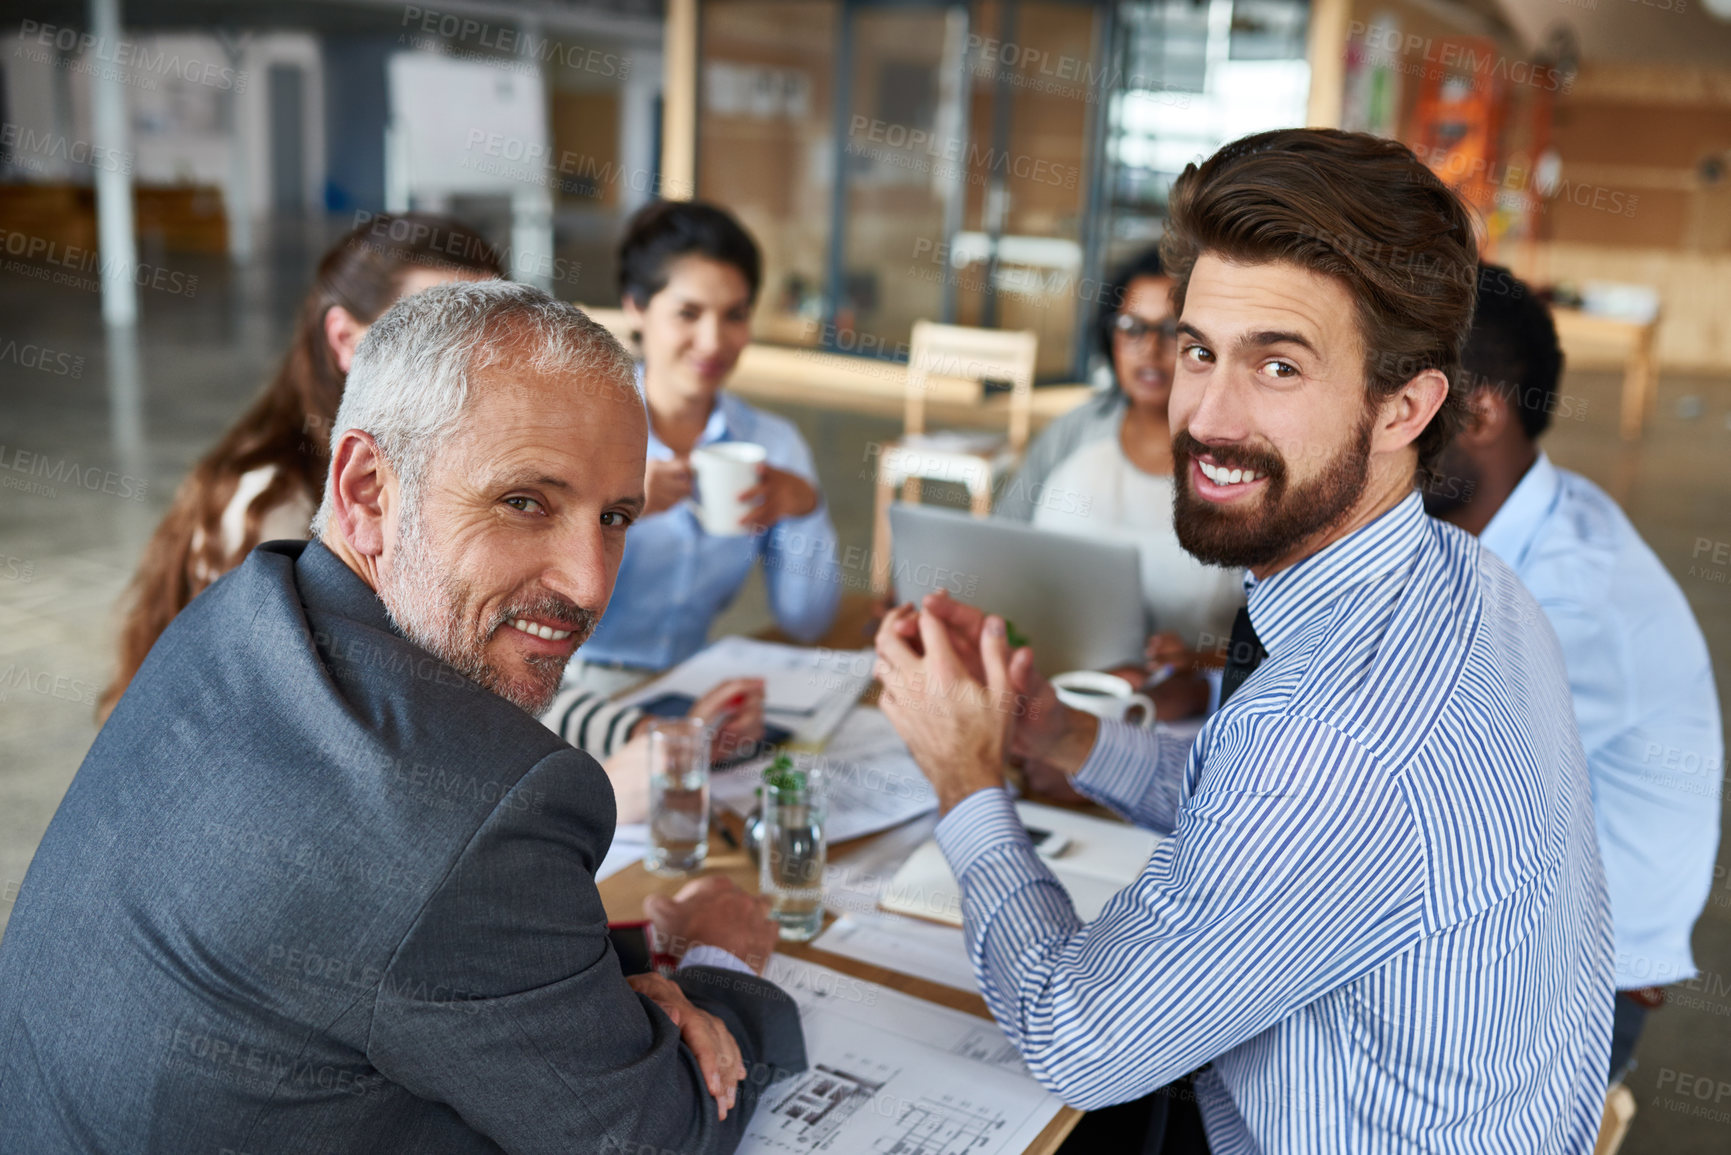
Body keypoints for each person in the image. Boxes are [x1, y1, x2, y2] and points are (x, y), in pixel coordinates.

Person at [873, 129, 1612, 1153]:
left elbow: (1078, 1040)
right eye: (1197, 350)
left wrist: (966, 785)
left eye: (1278, 364)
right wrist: (1058, 737)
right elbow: (1258, 808)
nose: (1207, 417)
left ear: (1404, 405)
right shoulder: (1467, 580)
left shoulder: (1340, 736)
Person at [0, 282, 805, 1154]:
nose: (589, 582)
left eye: (614, 517)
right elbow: (643, 1138)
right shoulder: (475, 804)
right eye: (525, 501)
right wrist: (721, 965)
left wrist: (636, 955)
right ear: (368, 489)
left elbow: (385, 948)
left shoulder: (250, 610)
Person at [1424, 264, 1723, 1083]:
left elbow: (1409, 802)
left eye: (1396, 394)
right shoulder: (1501, 517)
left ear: (1478, 412)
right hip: (1504, 925)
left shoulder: (1573, 602)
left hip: (1574, 988)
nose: (1365, 422)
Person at [100, 213, 506, 718]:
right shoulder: (270, 502)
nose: (471, 360)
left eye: (487, 328)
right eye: (435, 331)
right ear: (344, 341)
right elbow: (268, 718)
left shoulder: (436, 460)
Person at [573, 200, 841, 685]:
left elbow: (807, 623)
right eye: (688, 313)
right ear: (636, 307)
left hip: (690, 684)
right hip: (566, 686)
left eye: (735, 315)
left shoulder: (773, 444)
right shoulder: (578, 426)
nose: (714, 342)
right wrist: (611, 517)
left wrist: (806, 509)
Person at [997, 248, 1243, 655]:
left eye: (1172, 331)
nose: (1149, 348)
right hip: (1052, 673)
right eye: (1132, 327)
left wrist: (1202, 667)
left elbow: (1282, 641)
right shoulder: (1074, 431)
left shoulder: (1235, 458)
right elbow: (1001, 540)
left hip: (1194, 708)